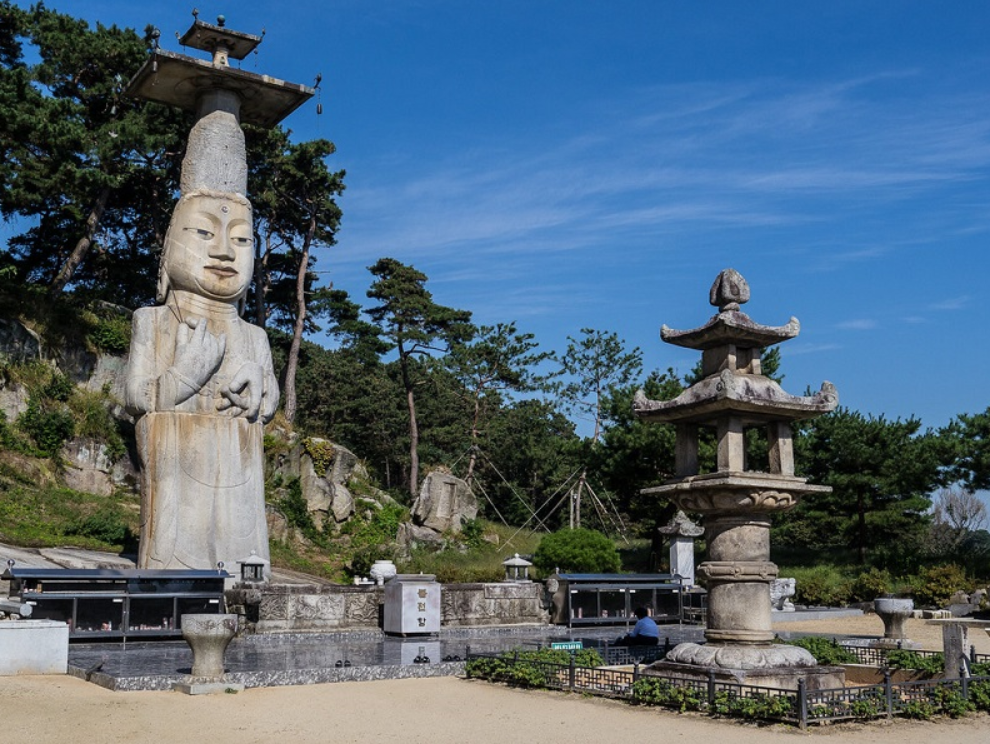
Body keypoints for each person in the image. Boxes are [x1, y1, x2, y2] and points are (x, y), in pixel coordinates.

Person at [125, 189, 277, 575]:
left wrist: (260, 390)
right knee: (174, 565)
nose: (225, 252)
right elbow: (135, 395)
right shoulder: (152, 320)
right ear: (170, 247)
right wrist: (186, 373)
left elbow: (270, 401)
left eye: (242, 239)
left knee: (245, 566)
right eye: (204, 233)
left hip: (237, 477)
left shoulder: (253, 336)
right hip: (178, 480)